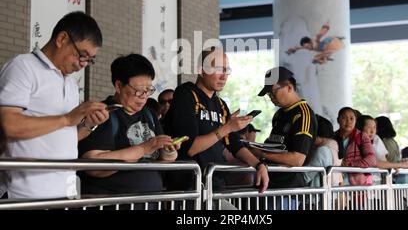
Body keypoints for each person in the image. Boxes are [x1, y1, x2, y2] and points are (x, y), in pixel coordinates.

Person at [0, 11, 108, 199]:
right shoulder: (23, 67)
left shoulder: (71, 84)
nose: (83, 64)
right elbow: (10, 125)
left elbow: (64, 137)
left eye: (89, 60)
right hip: (25, 194)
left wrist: (88, 125)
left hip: (64, 191)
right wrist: (67, 119)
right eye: (82, 55)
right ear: (62, 39)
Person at [163, 47, 269, 195]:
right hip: (187, 187)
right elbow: (190, 147)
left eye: (227, 70)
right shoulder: (186, 94)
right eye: (219, 69)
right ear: (201, 70)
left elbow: (234, 144)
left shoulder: (220, 104)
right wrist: (227, 128)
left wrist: (259, 165)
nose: (224, 76)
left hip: (214, 185)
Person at [78, 54, 178, 198]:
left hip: (151, 200)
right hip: (115, 203)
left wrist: (168, 152)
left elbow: (160, 161)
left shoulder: (150, 114)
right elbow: (93, 164)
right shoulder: (102, 114)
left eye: (149, 90)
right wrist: (143, 148)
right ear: (119, 86)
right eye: (139, 90)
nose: (144, 96)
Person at [254, 66, 318, 190]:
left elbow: (297, 159)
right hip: (270, 181)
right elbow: (275, 144)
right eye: (268, 94)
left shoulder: (303, 114)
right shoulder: (279, 114)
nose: (271, 97)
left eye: (273, 92)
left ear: (289, 87)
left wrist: (262, 154)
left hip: (288, 187)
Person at [357, 115, 408, 183]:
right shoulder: (355, 142)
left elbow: (384, 160)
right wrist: (400, 165)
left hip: (375, 180)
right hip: (359, 180)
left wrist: (396, 165)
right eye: (369, 127)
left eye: (374, 127)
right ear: (360, 128)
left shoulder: (376, 139)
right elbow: (373, 163)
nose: (372, 131)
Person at [334, 107, 377, 186]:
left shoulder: (361, 136)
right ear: (338, 120)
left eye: (351, 118)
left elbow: (372, 159)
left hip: (357, 183)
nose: (348, 121)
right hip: (336, 181)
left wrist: (350, 164)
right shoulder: (332, 137)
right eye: (344, 118)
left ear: (355, 120)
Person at [302, 115, 342, 188]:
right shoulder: (334, 146)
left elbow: (305, 176)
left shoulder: (323, 151)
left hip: (317, 196)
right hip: (330, 193)